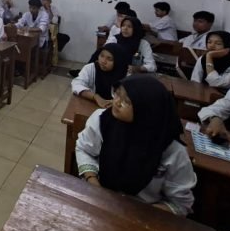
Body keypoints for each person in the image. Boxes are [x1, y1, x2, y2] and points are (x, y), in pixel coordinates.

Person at [75, 75, 196, 216]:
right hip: (101, 198)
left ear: (147, 110)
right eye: (117, 94)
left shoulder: (171, 150)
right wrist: (93, 183)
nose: (117, 103)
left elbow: (180, 204)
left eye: (127, 101)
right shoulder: (103, 121)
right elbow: (84, 149)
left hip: (144, 214)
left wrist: (136, 214)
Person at [71, 43, 131, 108]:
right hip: (92, 105)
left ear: (118, 61)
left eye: (109, 59)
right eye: (102, 56)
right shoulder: (91, 68)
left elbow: (129, 99)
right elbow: (76, 84)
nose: (103, 61)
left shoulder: (125, 75)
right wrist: (95, 97)